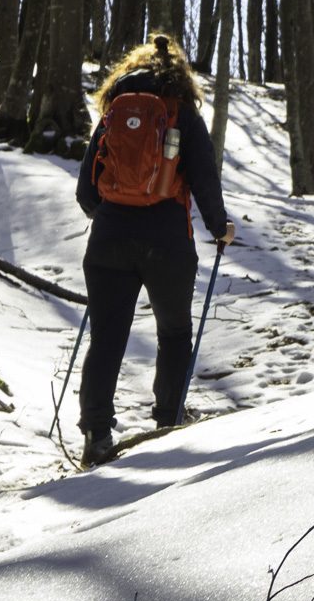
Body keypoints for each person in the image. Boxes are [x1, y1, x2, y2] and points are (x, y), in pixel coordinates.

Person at [75, 34, 234, 465]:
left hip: (109, 239)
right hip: (168, 243)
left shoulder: (113, 113)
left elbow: (86, 191)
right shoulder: (183, 115)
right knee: (175, 334)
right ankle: (168, 421)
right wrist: (220, 229)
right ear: (180, 78)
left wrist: (110, 215)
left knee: (106, 337)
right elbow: (204, 181)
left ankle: (96, 434)